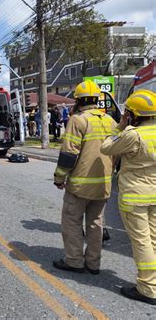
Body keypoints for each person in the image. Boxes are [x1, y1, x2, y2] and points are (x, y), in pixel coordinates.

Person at [52, 80, 117, 275]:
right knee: (96, 224)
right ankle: (93, 263)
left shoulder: (78, 120)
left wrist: (59, 178)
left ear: (78, 100)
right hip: (103, 186)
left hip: (80, 186)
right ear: (97, 99)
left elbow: (68, 154)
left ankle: (74, 261)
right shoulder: (110, 121)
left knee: (72, 222)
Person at [101, 90, 156, 305]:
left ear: (133, 114)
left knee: (141, 241)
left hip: (135, 196)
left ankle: (148, 288)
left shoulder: (133, 134)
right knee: (153, 240)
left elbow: (106, 147)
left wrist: (121, 125)